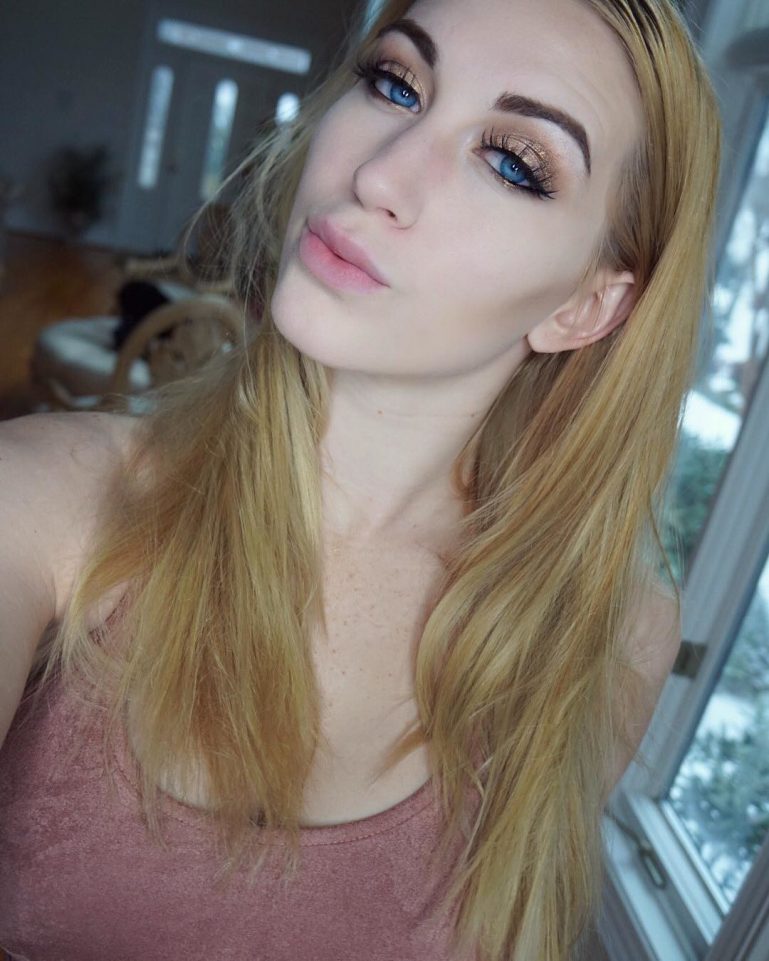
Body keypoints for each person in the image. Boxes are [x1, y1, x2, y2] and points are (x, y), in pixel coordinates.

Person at [0, 0, 722, 959]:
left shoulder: (611, 637)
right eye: (396, 84)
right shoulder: (45, 503)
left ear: (585, 307)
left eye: (512, 162)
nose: (378, 173)